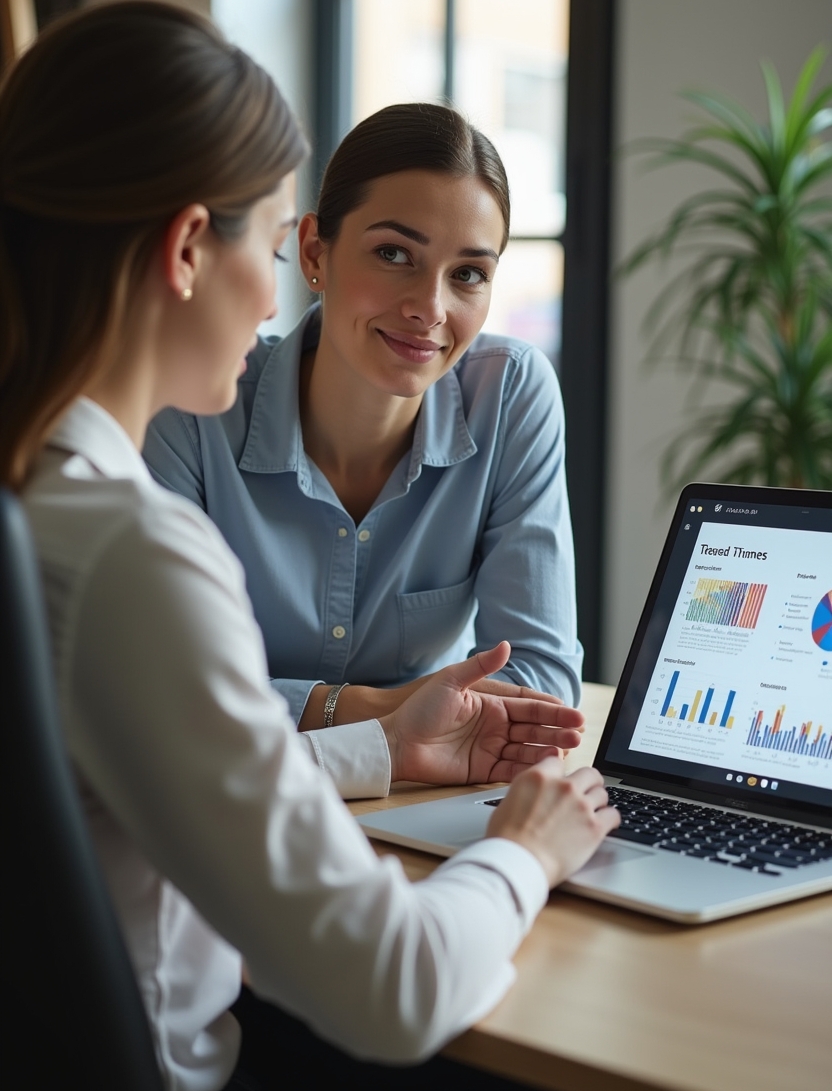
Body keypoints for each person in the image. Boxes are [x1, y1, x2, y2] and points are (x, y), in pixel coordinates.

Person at [0, 1, 631, 1091]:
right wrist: (524, 852)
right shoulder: (131, 551)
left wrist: (381, 742)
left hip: (107, 1066)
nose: (271, 301)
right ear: (193, 248)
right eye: (274, 237)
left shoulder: (40, 499)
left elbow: (161, 753)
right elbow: (393, 989)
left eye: (470, 274)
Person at [144, 102, 582, 731]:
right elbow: (162, 685)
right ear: (314, 252)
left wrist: (297, 708)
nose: (429, 308)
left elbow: (539, 681)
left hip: (423, 794)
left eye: (467, 273)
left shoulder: (509, 395)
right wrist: (382, 714)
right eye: (394, 255)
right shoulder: (193, 408)